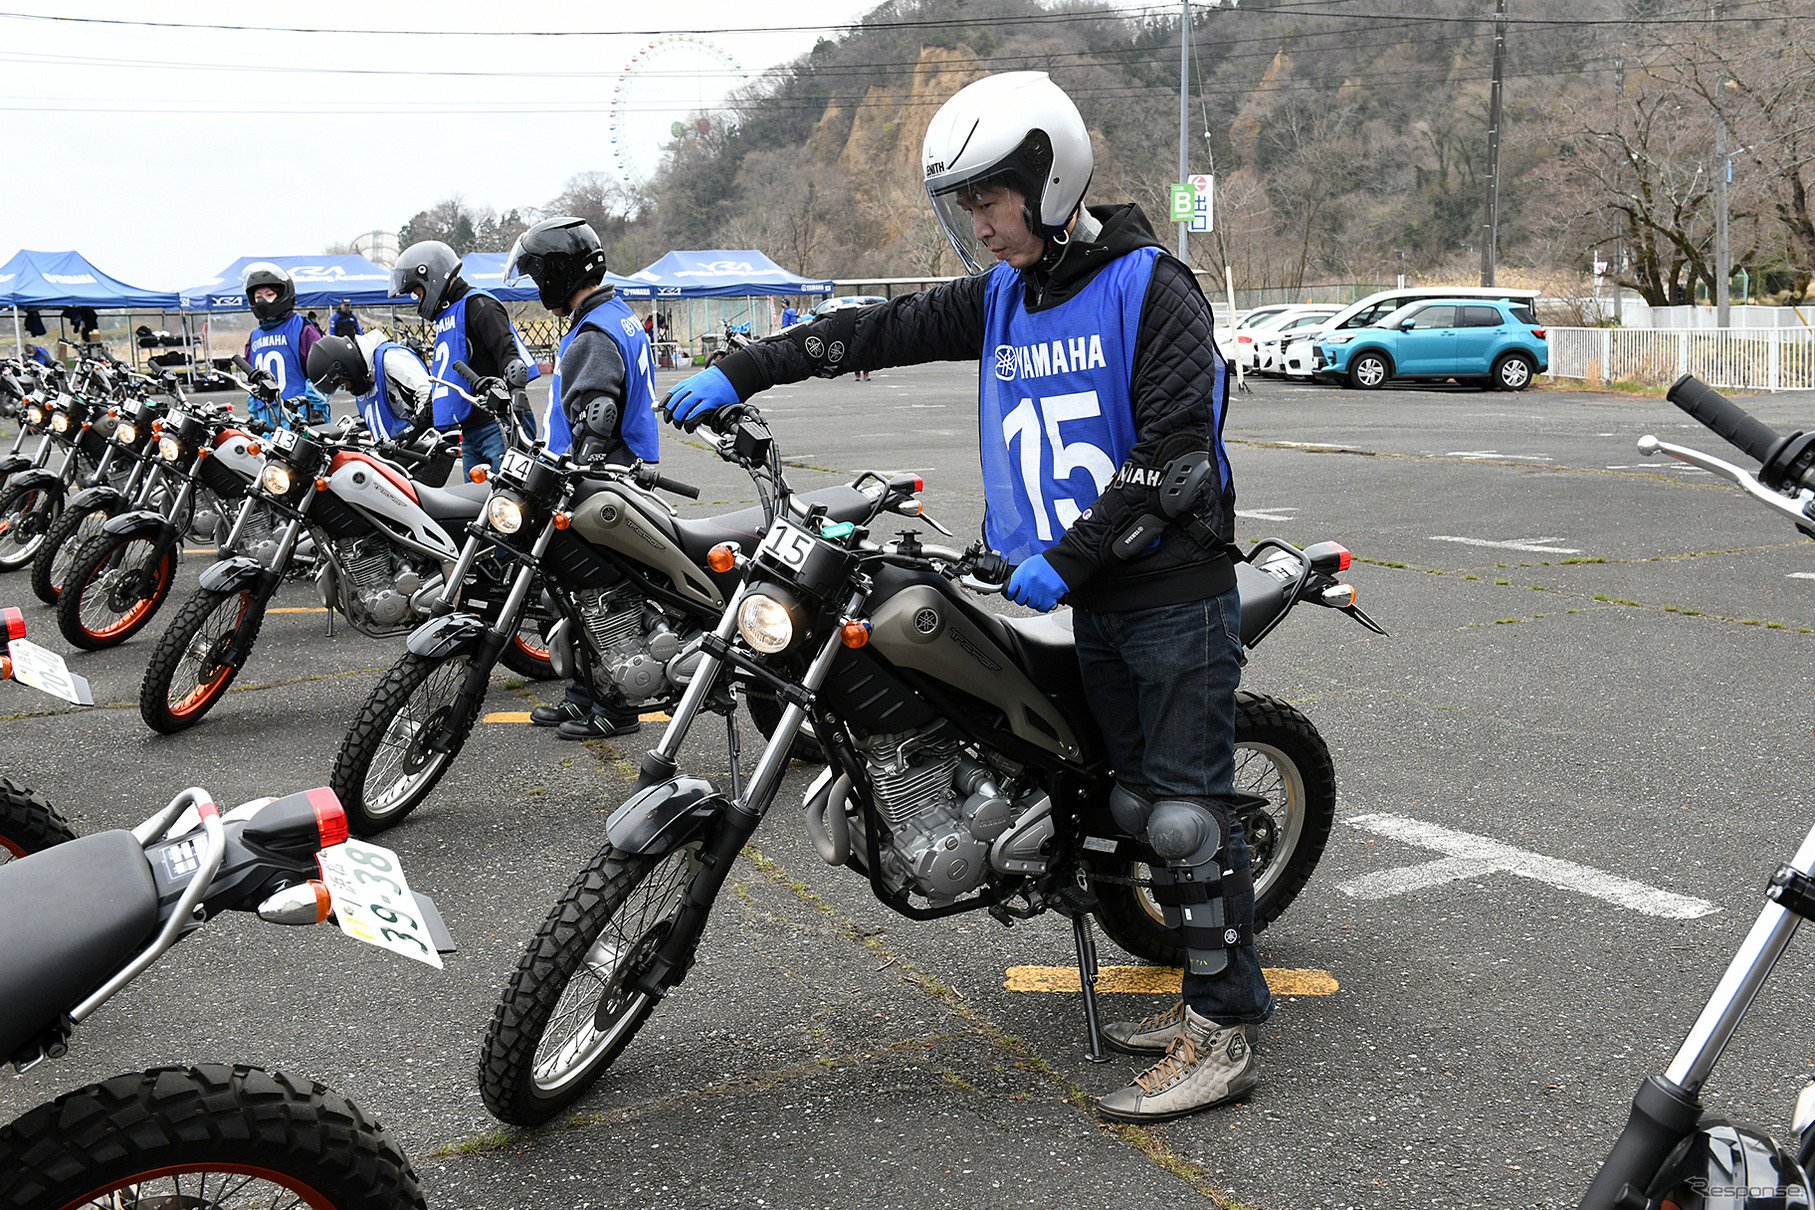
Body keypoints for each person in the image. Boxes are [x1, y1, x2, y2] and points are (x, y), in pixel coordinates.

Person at [663, 71, 1264, 1124]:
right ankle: (1198, 987)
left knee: (1181, 820)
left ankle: (1221, 1031)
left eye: (991, 198)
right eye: (965, 205)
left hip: (1166, 595)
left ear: (1051, 175)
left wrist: (1070, 558)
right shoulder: (1002, 294)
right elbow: (876, 331)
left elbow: (1173, 464)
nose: (977, 224)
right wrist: (748, 366)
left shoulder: (1150, 285)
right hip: (1069, 603)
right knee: (1115, 804)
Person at [504, 216, 662, 742]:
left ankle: (615, 706)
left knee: (600, 598)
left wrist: (571, 473)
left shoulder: (592, 333)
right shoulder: (614, 316)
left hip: (598, 479)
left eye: (538, 275)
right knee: (579, 596)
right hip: (618, 471)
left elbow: (596, 417)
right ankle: (584, 695)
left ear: (559, 273)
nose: (535, 285)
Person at [391, 241, 540, 475]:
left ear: (432, 278)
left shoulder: (479, 306)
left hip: (499, 425)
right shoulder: (449, 315)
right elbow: (445, 380)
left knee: (510, 505)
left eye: (417, 292)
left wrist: (515, 416)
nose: (418, 300)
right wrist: (416, 425)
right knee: (476, 505)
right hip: (471, 429)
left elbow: (510, 359)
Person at [304, 331, 432, 446]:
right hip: (394, 452)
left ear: (346, 369)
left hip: (424, 446)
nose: (347, 387)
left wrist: (416, 427)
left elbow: (427, 392)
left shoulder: (389, 357)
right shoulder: (366, 376)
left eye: (343, 382)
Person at [241, 263, 326, 426]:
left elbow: (321, 373)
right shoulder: (254, 337)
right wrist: (253, 412)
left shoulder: (302, 328)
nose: (262, 301)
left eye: (269, 294)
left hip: (297, 414)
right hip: (265, 417)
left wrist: (316, 410)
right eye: (258, 296)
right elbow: (254, 383)